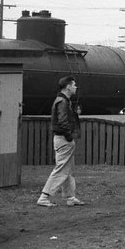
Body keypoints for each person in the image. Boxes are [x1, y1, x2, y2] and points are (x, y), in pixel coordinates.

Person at [36, 76, 86, 207]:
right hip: (63, 139)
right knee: (62, 169)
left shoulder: (63, 101)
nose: (76, 87)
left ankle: (71, 197)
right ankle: (44, 196)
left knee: (68, 169)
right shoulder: (63, 102)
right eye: (74, 85)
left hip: (62, 138)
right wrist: (69, 137)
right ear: (68, 86)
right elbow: (63, 122)